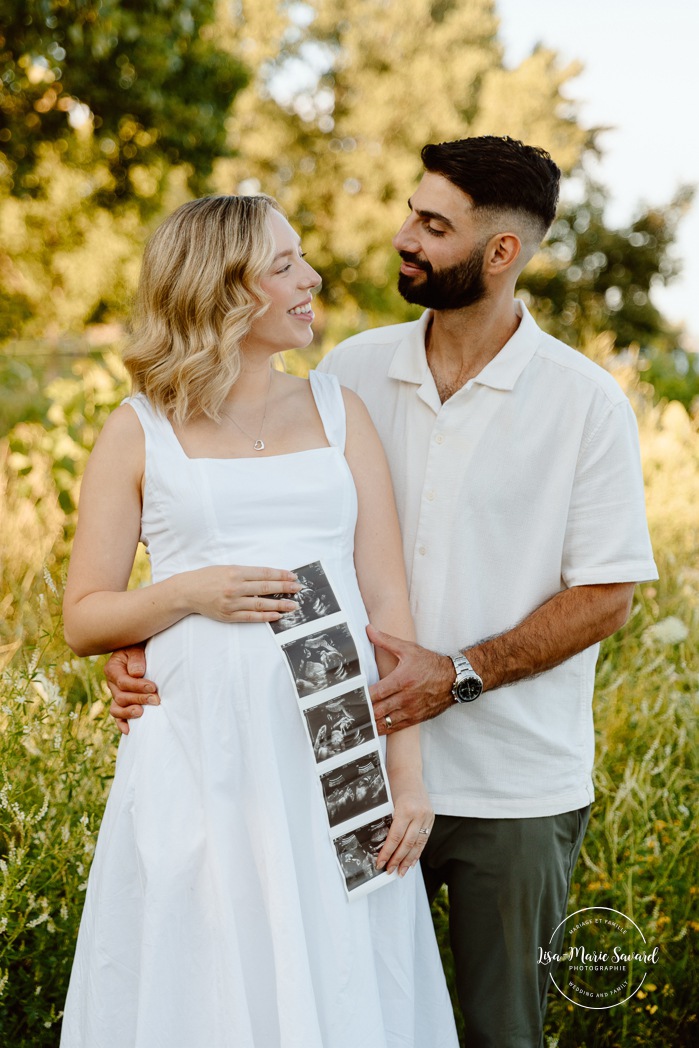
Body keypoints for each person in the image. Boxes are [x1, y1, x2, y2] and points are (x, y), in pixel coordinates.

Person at [105, 137, 658, 1047]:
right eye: (410, 212)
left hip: (509, 785)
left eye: (432, 226)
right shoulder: (348, 372)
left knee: (500, 1032)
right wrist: (151, 638)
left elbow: (607, 597)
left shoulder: (584, 401)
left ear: (500, 252)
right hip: (335, 768)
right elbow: (250, 515)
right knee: (348, 1009)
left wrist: (458, 674)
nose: (404, 236)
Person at [60, 193, 458, 1048]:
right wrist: (186, 594)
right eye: (284, 265)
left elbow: (389, 607)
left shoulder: (338, 411)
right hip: (199, 748)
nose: (310, 278)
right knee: (204, 967)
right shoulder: (138, 430)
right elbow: (84, 617)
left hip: (337, 743)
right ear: (222, 289)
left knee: (343, 967)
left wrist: (407, 775)